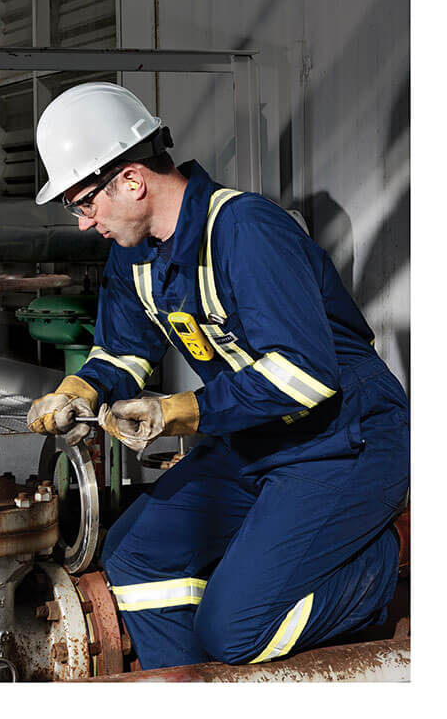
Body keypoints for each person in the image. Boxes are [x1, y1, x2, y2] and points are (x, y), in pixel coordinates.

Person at [26, 82, 410, 670]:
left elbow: (304, 375)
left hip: (344, 444)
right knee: (133, 557)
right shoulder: (134, 254)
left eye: (83, 202)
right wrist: (79, 390)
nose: (83, 223)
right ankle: (191, 683)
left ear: (131, 179)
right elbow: (123, 351)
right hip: (256, 441)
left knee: (235, 632)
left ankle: (377, 562)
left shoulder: (246, 230)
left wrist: (176, 412)